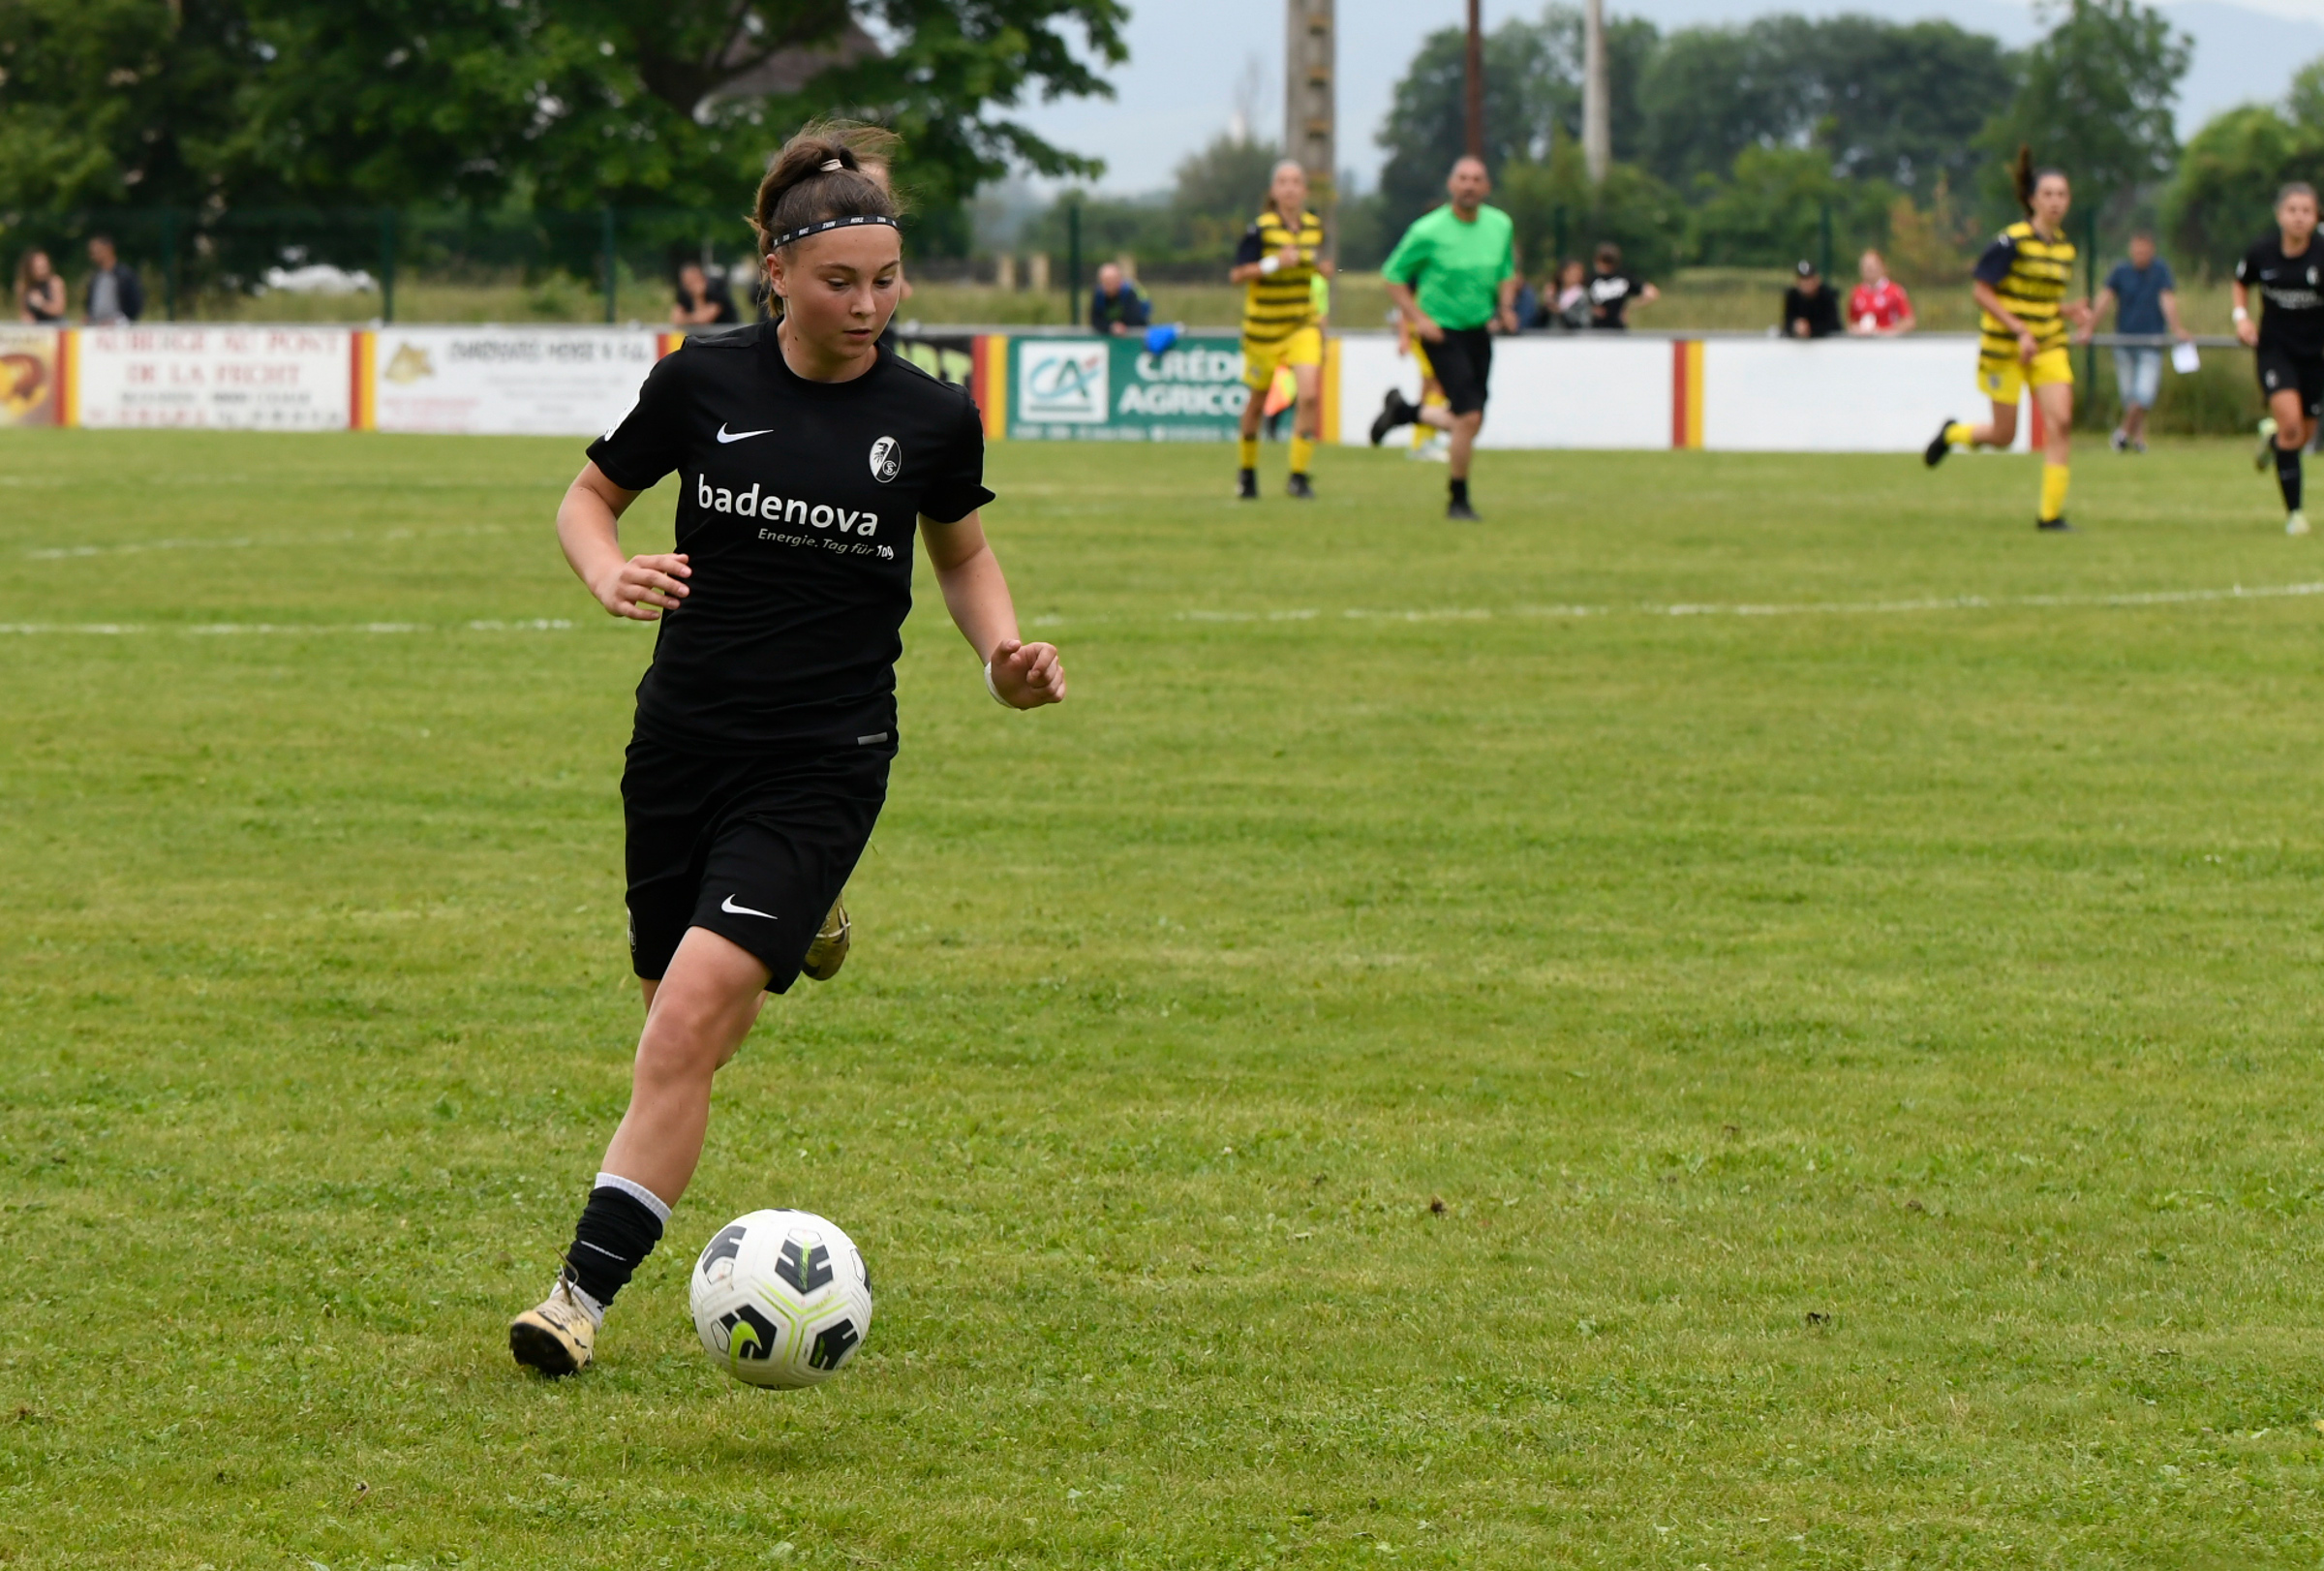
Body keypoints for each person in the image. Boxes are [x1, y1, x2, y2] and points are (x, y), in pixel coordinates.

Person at [507, 122, 1066, 1377]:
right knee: (690, 1026)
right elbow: (589, 497)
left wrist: (1002, 656)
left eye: (888, 280)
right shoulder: (702, 382)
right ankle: (804, 919)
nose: (868, 306)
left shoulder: (930, 416)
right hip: (682, 743)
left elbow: (963, 552)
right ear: (775, 269)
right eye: (839, 281)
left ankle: (576, 1299)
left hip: (823, 757)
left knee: (681, 1030)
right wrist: (606, 571)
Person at [1923, 149, 2090, 532]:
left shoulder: (2065, 249)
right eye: (2047, 194)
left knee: (2062, 423)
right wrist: (2019, 330)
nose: (2055, 201)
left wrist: (2067, 311)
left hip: (2047, 344)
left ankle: (2050, 516)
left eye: (2062, 194)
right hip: (2006, 347)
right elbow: (1982, 292)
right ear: (2032, 200)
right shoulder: (2011, 242)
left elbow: (2038, 299)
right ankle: (1953, 434)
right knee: (2003, 435)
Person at [1368, 156, 1519, 521]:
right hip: (1441, 331)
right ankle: (1458, 499)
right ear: (1451, 185)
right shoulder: (1428, 230)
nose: (1469, 185)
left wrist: (1506, 307)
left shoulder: (1500, 225)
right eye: (1463, 178)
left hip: (1479, 329)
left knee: (1470, 420)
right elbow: (1392, 275)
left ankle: (1405, 412)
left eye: (1477, 179)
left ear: (1487, 187)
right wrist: (1418, 319)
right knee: (1469, 416)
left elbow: (1506, 271)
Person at [1228, 160, 1327, 500]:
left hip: (1301, 324)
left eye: (1296, 182)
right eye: (1283, 182)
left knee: (1309, 396)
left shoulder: (1315, 228)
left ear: (1304, 190)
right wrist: (1274, 263)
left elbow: (1321, 266)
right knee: (1257, 403)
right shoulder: (1260, 229)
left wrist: (1327, 271)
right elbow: (1237, 274)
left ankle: (1298, 476)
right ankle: (1247, 472)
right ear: (1274, 190)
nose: (1290, 188)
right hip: (1263, 330)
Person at [2235, 184, 2324, 536]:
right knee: (2291, 427)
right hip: (2275, 351)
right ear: (2279, 215)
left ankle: (2272, 442)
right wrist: (2241, 318)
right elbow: (2241, 282)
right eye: (2292, 210)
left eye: (2307, 211)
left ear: (2316, 216)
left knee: (2302, 434)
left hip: (2315, 354)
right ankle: (2295, 514)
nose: (2299, 217)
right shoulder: (2262, 252)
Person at [1585, 243, 1657, 330]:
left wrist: (1628, 307)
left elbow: (1651, 292)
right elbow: (1651, 293)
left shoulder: (1592, 278)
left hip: (1603, 328)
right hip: (1612, 327)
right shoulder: (1624, 278)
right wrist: (1629, 307)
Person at [1846, 250, 1914, 336]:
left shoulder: (1895, 291)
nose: (1868, 270)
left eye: (1872, 266)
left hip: (1887, 342)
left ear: (1882, 267)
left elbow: (1909, 321)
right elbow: (1851, 322)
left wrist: (1886, 332)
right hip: (1864, 342)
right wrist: (1857, 329)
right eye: (1865, 266)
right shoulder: (1856, 292)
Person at [82, 235, 143, 325]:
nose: (93, 256)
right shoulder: (96, 278)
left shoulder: (125, 275)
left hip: (119, 327)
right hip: (97, 325)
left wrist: (121, 320)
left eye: (97, 252)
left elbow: (135, 303)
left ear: (109, 249)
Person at [1782, 260, 1842, 339]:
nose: (1806, 283)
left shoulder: (1827, 296)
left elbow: (1834, 325)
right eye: (1803, 279)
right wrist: (1795, 326)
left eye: (1809, 279)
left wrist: (1810, 328)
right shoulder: (1793, 296)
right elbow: (1787, 323)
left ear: (1816, 279)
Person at [1088, 262, 1151, 336]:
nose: (1109, 285)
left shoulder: (1129, 292)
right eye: (1106, 281)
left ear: (1119, 280)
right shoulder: (1099, 295)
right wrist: (1111, 327)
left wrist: (1121, 327)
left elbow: (1136, 318)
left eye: (1112, 280)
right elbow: (1095, 319)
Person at [15, 250, 66, 323]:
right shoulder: (23, 285)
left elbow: (59, 310)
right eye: (38, 267)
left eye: (44, 266)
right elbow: (24, 311)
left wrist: (41, 304)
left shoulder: (55, 282)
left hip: (55, 324)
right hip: (35, 326)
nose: (42, 270)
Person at [1551, 259, 1590, 331]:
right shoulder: (1556, 293)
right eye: (1570, 272)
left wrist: (1561, 312)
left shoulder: (1583, 295)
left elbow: (1584, 320)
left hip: (1576, 334)